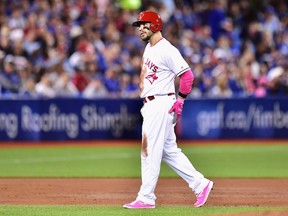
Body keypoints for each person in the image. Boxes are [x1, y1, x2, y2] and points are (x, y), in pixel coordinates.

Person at [123, 11, 214, 209]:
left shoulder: (167, 49)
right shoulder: (149, 47)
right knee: (168, 151)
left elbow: (188, 76)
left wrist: (180, 100)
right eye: (139, 25)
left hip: (160, 103)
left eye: (143, 24)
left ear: (155, 25)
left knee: (149, 150)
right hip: (152, 103)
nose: (140, 28)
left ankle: (146, 197)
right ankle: (201, 184)